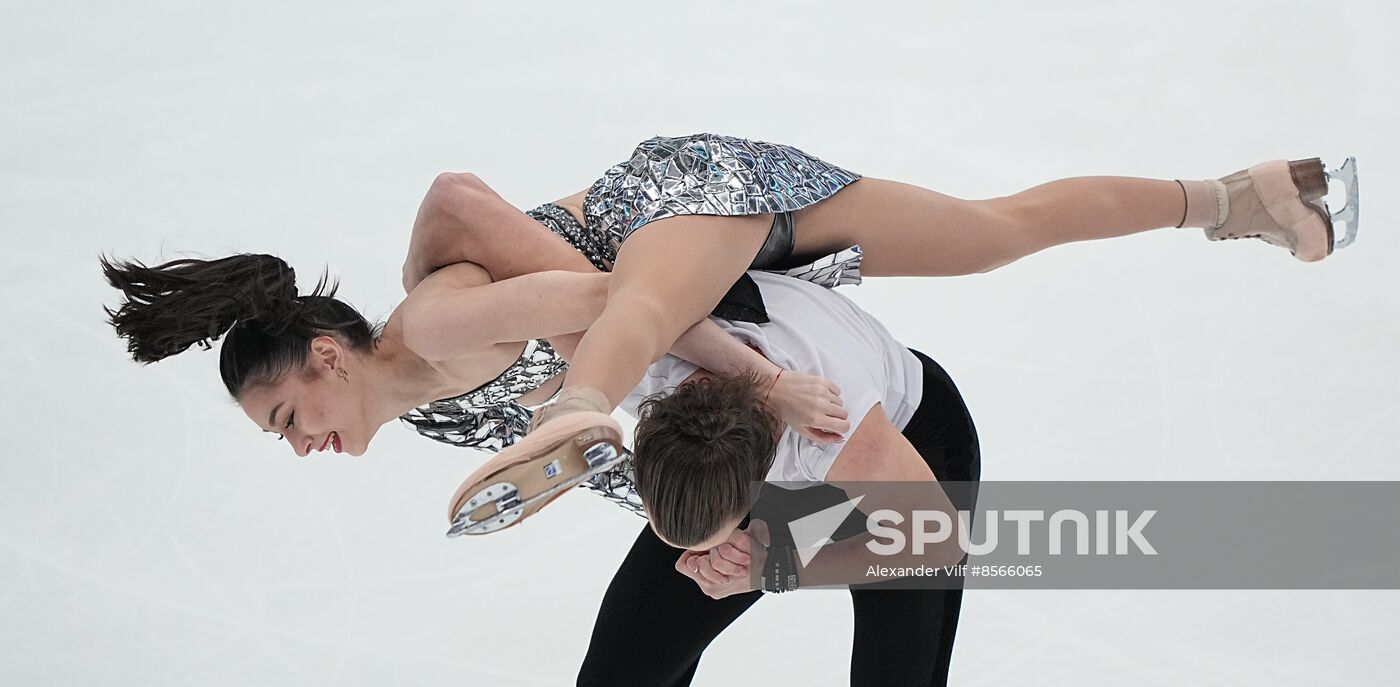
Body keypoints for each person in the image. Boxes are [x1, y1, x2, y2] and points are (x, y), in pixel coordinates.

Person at [430, 132, 1357, 524]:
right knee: (997, 234)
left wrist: (582, 399)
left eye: (284, 415)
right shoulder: (431, 369)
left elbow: (603, 294)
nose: (317, 446)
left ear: (324, 352)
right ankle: (1239, 197)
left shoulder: (432, 316)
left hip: (695, 208)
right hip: (707, 254)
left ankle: (585, 401)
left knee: (633, 313)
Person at [573, 269, 982, 686]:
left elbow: (938, 539)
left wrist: (776, 567)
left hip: (909, 452)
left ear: (753, 490)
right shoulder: (636, 368)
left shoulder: (837, 435)